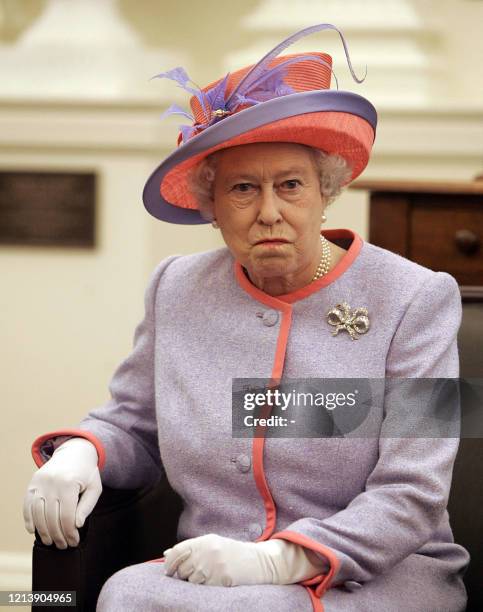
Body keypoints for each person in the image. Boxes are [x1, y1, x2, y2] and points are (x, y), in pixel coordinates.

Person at [23, 24, 469, 612]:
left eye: (290, 185)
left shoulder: (418, 299)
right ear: (211, 206)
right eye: (241, 189)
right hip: (212, 567)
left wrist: (277, 560)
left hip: (376, 576)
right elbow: (133, 425)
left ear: (324, 190)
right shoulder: (176, 288)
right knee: (124, 594)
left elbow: (414, 492)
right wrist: (84, 453)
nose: (269, 213)